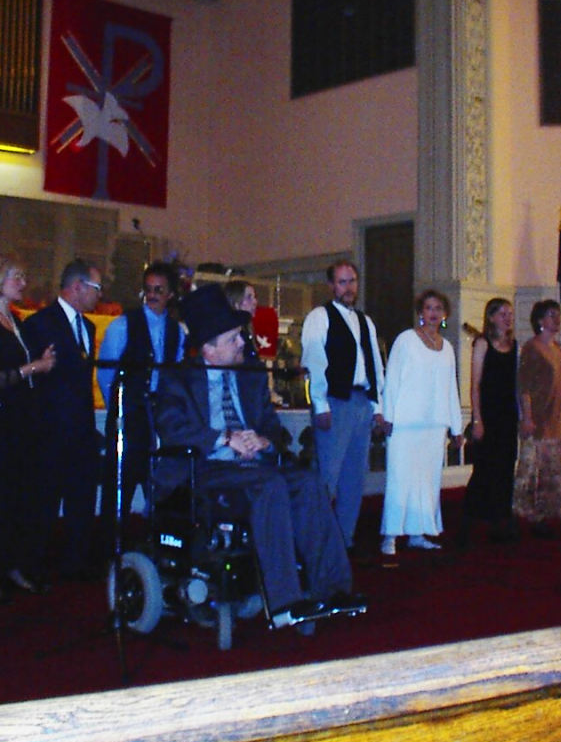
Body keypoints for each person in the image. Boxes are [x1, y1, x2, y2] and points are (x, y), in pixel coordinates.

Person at [155, 284, 365, 629]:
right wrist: (227, 438)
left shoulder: (251, 376)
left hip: (253, 466)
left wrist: (263, 440)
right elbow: (173, 430)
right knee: (270, 486)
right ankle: (285, 602)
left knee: (309, 482)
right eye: (233, 339)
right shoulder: (177, 379)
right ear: (208, 348)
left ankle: (333, 588)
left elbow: (273, 427)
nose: (242, 343)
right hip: (205, 469)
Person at [0, 253, 56, 604]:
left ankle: (12, 565)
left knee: (20, 498)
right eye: (16, 277)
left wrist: (41, 363)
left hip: (19, 423)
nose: (23, 283)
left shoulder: (13, 320)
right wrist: (32, 368)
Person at [22, 259, 103, 583]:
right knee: (44, 503)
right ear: (78, 286)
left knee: (82, 500)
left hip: (81, 431)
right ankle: (35, 565)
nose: (100, 295)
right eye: (96, 288)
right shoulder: (41, 324)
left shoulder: (90, 327)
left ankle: (76, 562)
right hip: (51, 431)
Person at [300, 260, 385, 548]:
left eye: (352, 281)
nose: (348, 288)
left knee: (354, 479)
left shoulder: (365, 321)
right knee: (328, 476)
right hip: (335, 402)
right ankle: (318, 542)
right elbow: (313, 361)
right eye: (342, 282)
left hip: (361, 401)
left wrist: (378, 407)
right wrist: (320, 404)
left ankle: (343, 540)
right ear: (331, 286)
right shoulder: (319, 317)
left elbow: (375, 365)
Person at [97, 261, 185, 527]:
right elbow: (106, 376)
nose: (153, 295)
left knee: (160, 491)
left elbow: (175, 373)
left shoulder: (176, 331)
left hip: (159, 421)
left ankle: (151, 551)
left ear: (170, 294)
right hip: (128, 420)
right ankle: (109, 556)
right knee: (118, 493)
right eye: (149, 289)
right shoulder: (122, 326)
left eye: (159, 289)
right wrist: (122, 408)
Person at [379, 290, 464, 556]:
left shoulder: (447, 347)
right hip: (405, 424)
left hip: (434, 426)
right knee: (400, 480)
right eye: (428, 308)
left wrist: (456, 427)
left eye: (438, 308)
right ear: (420, 312)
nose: (434, 313)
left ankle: (418, 533)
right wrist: (387, 416)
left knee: (427, 483)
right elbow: (391, 379)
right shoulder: (406, 340)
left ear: (444, 313)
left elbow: (451, 388)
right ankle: (390, 537)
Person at [459, 298, 519, 545]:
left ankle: (499, 522)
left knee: (505, 469)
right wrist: (477, 419)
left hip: (508, 415)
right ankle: (468, 524)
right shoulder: (482, 344)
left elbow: (517, 385)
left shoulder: (515, 346)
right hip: (488, 414)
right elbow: (476, 385)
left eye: (510, 313)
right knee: (484, 469)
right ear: (491, 317)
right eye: (502, 313)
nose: (508, 317)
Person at [512, 300, 561, 537]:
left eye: (558, 315)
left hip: (557, 418)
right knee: (530, 472)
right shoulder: (532, 348)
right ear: (539, 320)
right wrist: (527, 417)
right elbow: (524, 386)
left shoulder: (558, 348)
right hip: (538, 418)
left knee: (553, 472)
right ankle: (525, 516)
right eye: (550, 315)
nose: (556, 319)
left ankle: (550, 516)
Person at [223, 279, 261, 365]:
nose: (255, 302)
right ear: (236, 302)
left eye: (255, 297)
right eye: (249, 297)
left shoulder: (248, 330)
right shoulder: (228, 334)